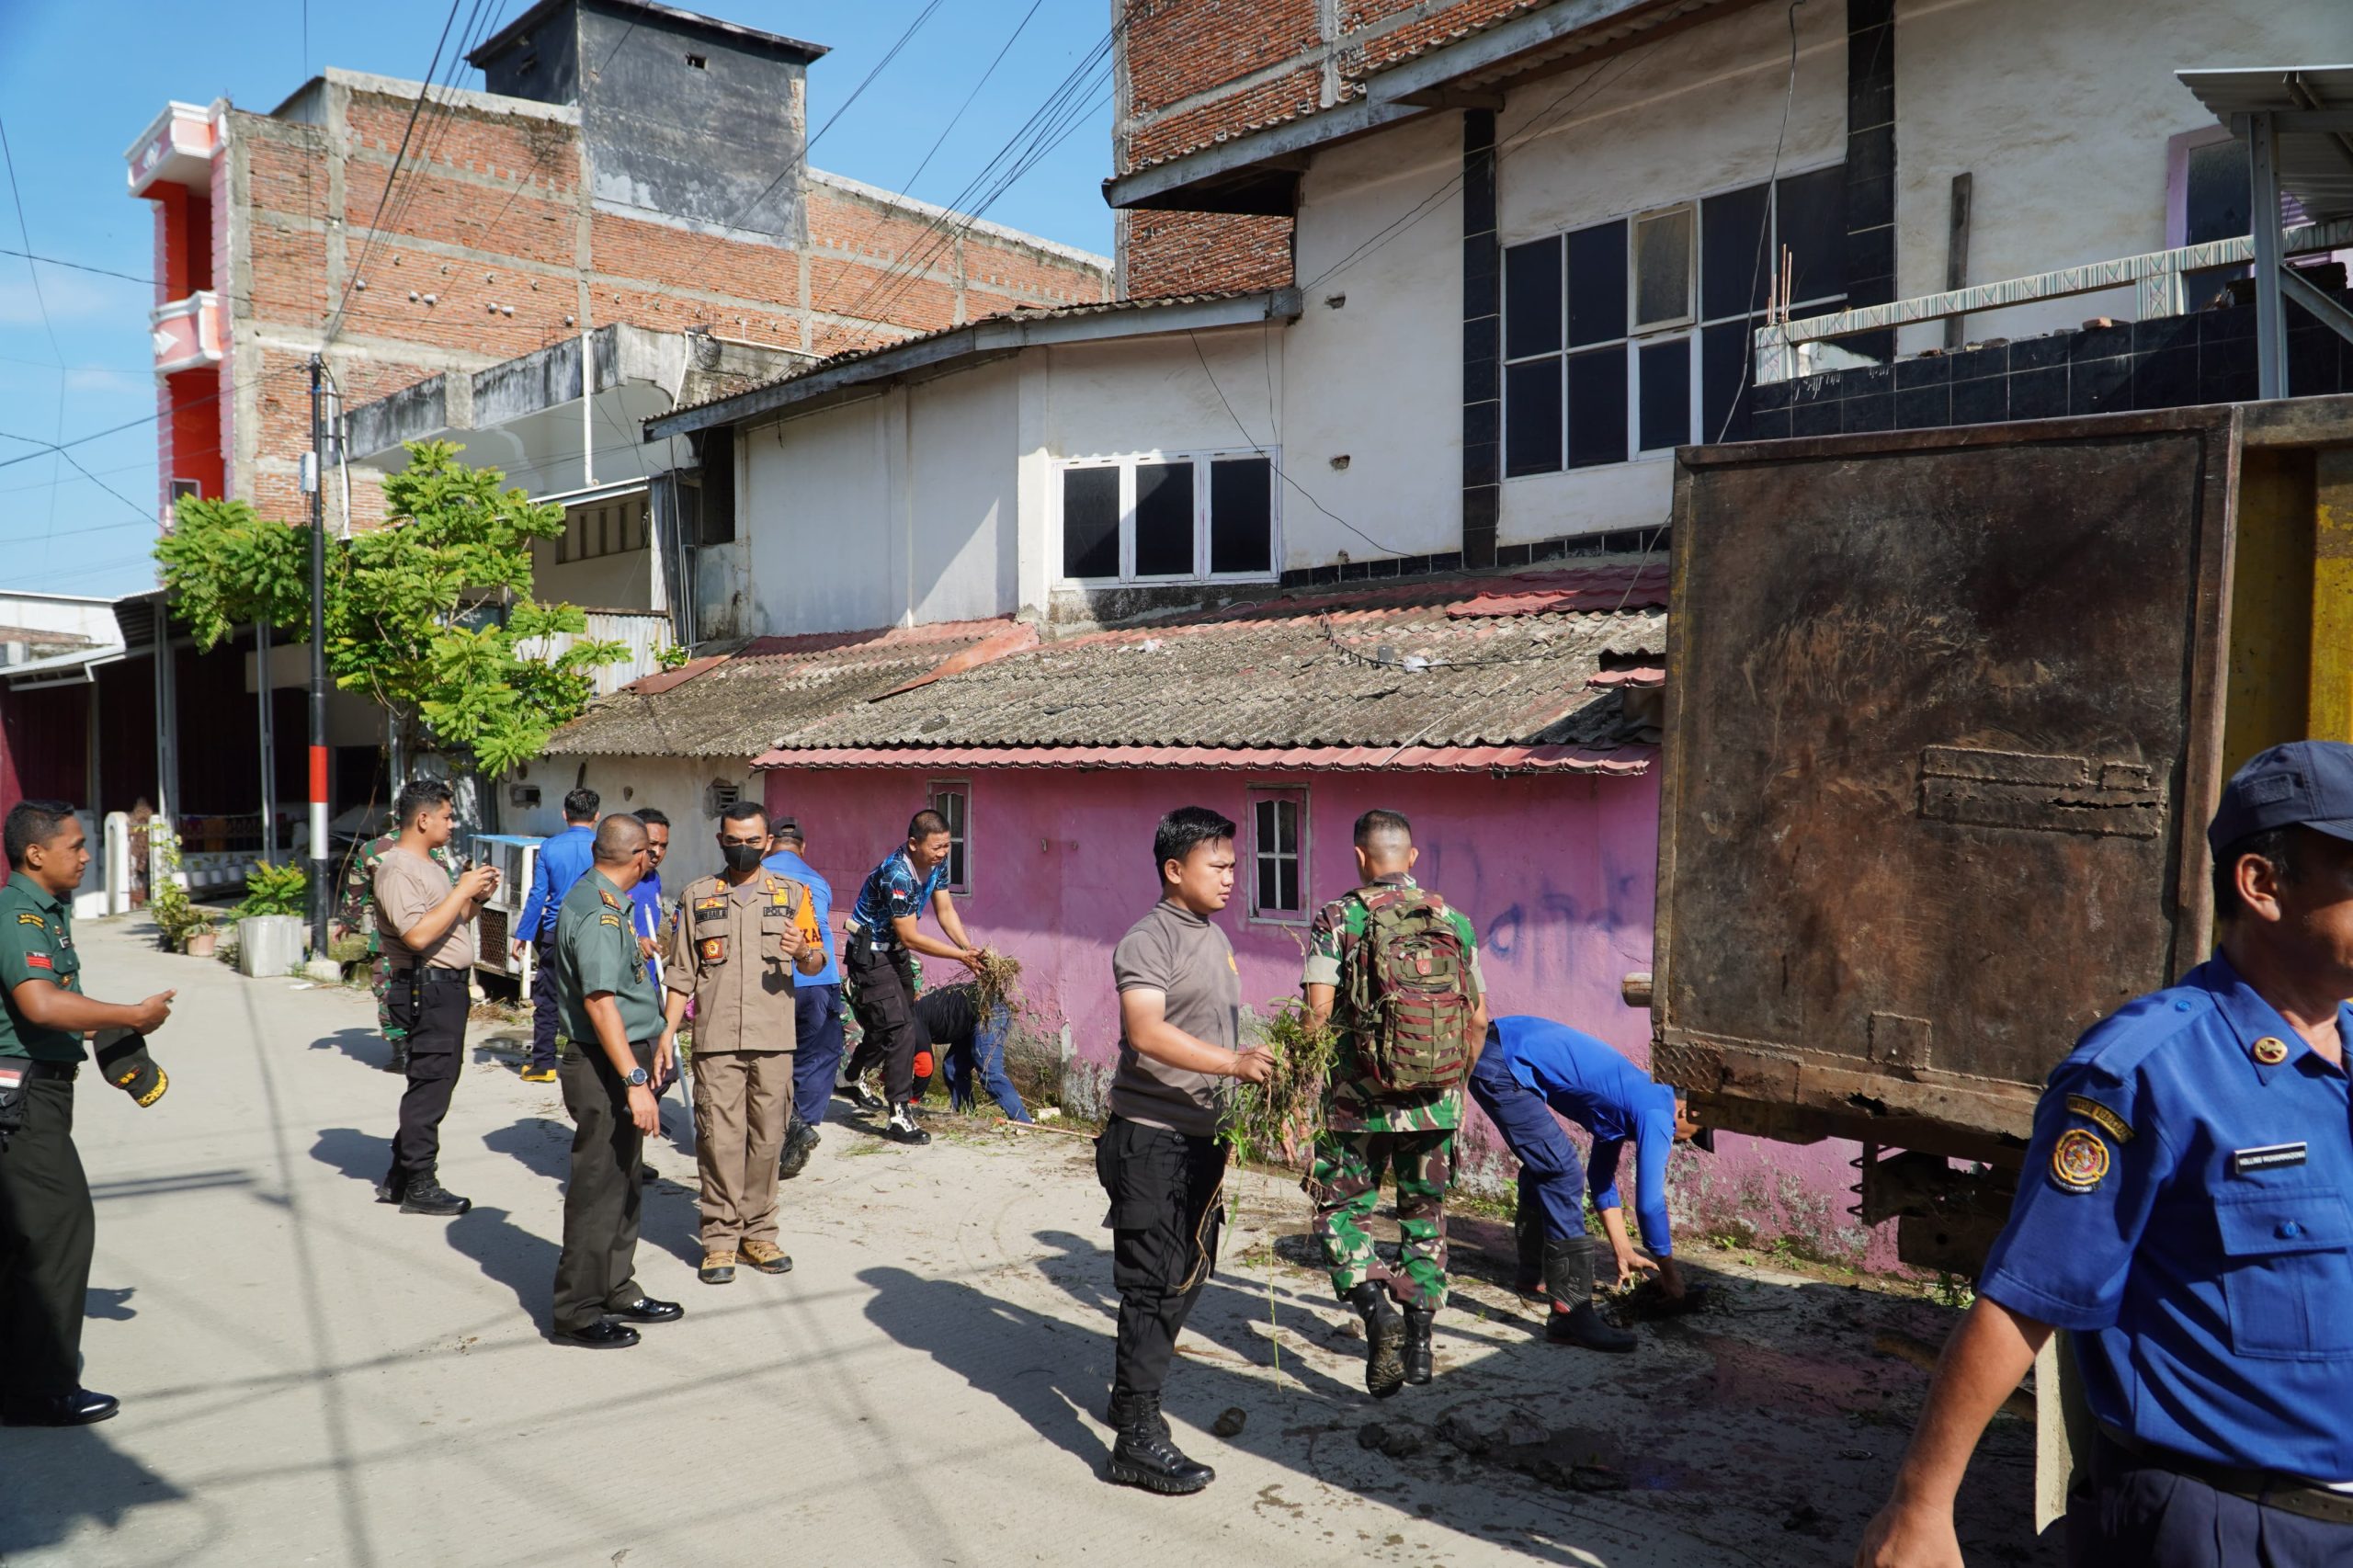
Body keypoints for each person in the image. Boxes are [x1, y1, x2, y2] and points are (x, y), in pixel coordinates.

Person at [1858, 740, 2353, 1568]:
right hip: (2229, 1529)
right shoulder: (2148, 1071)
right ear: (2262, 886)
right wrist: (1922, 1505)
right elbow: (2031, 1294)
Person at [1097, 806, 1273, 1495]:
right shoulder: (1149, 939)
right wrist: (1231, 1065)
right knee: (1150, 1286)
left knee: (1189, 1275)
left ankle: (1127, 1396)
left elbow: (1206, 1033)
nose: (1233, 876)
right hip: (1151, 1140)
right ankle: (1135, 1437)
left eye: (1234, 864)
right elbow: (1145, 1032)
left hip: (1201, 1139)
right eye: (1219, 865)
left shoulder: (1211, 936)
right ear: (1175, 871)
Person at [0, 801, 177, 1427]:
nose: (85, 854)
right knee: (58, 1233)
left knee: (21, 1241)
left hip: (37, 1091)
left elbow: (68, 1000)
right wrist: (132, 1015)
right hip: (22, 1099)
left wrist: (121, 1051)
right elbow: (43, 1005)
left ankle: (17, 1382)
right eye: (75, 845)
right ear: (35, 854)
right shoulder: (19, 914)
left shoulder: (48, 912)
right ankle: (43, 1389)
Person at [1301, 809, 1487, 1397]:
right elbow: (1478, 1020)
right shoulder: (1453, 921)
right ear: (1410, 857)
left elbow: (1317, 1017)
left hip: (1356, 1104)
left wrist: (1310, 1082)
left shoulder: (1339, 917)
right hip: (1435, 1103)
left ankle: (1375, 1312)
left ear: (1359, 857)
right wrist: (1450, 1085)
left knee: (1343, 1211)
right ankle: (1422, 1347)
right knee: (1424, 1216)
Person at [1467, 1016, 1710, 1354]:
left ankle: (1530, 1274)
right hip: (1505, 1060)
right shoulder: (1658, 1111)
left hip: (1499, 1048)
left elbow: (1601, 1180)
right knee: (1561, 1171)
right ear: (1686, 1112)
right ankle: (1571, 1315)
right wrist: (1670, 1274)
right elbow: (1649, 1204)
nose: (1681, 1143)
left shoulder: (1630, 1101)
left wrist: (1623, 1250)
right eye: (1691, 1138)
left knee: (1546, 1166)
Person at [663, 803, 823, 1286]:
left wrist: (803, 952)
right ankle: (719, 1239)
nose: (744, 848)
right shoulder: (697, 897)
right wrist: (666, 1034)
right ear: (720, 840)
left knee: (769, 1139)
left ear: (769, 842)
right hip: (715, 1041)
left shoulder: (795, 895)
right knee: (717, 1140)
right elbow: (681, 975)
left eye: (754, 841)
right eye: (735, 840)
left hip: (774, 1040)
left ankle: (759, 1232)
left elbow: (815, 962)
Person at [549, 813, 683, 1349]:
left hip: (623, 1054)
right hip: (605, 1063)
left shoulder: (607, 902)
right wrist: (632, 1078)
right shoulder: (600, 912)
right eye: (650, 851)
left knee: (624, 1181)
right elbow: (600, 1002)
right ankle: (576, 1311)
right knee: (598, 1189)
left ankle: (616, 1288)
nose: (654, 858)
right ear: (637, 858)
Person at [372, 780, 499, 1217]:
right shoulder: (396, 869)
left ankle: (400, 1177)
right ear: (423, 819)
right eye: (447, 816)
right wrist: (462, 891)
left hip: (446, 986)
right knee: (430, 1085)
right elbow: (419, 934)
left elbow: (449, 923)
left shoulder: (431, 865)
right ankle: (420, 1183)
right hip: (425, 987)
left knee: (437, 1080)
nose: (452, 823)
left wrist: (475, 898)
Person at [841, 809, 981, 1147]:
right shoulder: (897, 874)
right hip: (872, 953)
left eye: (947, 846)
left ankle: (851, 1075)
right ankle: (899, 1115)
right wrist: (959, 956)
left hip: (895, 953)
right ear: (913, 843)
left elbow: (945, 910)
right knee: (901, 1029)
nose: (943, 852)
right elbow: (911, 937)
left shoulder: (935, 865)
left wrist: (969, 949)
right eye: (937, 847)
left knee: (889, 1024)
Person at [336, 814, 455, 1075]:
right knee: (429, 984)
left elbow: (356, 889)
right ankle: (427, 1046)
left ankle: (401, 1051)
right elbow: (447, 887)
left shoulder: (371, 849)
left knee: (388, 987)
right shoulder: (432, 848)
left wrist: (347, 921)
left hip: (390, 935)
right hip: (430, 930)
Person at [764, 816, 839, 1178]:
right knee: (816, 1056)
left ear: (767, 842)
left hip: (769, 982)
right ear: (803, 848)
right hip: (818, 977)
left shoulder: (750, 876)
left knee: (765, 1059)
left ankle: (787, 1131)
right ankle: (801, 1124)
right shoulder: (819, 881)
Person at [513, 788, 600, 1083]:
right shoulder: (603, 846)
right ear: (597, 816)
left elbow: (538, 894)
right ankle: (594, 1063)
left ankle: (544, 1064)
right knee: (596, 996)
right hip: (593, 933)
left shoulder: (550, 847)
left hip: (554, 931)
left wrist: (523, 934)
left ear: (565, 815)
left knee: (547, 997)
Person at [907, 982, 1032, 1122]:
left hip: (989, 1012)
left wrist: (912, 1099)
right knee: (953, 1068)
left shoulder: (912, 1020)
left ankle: (1023, 1121)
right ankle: (966, 1116)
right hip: (973, 1016)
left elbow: (925, 1065)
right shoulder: (916, 1013)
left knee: (988, 1070)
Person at [629, 807, 671, 985]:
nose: (658, 852)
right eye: (652, 844)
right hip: (622, 983)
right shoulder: (613, 881)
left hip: (648, 980)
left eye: (663, 846)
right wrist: (636, 941)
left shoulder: (654, 878)